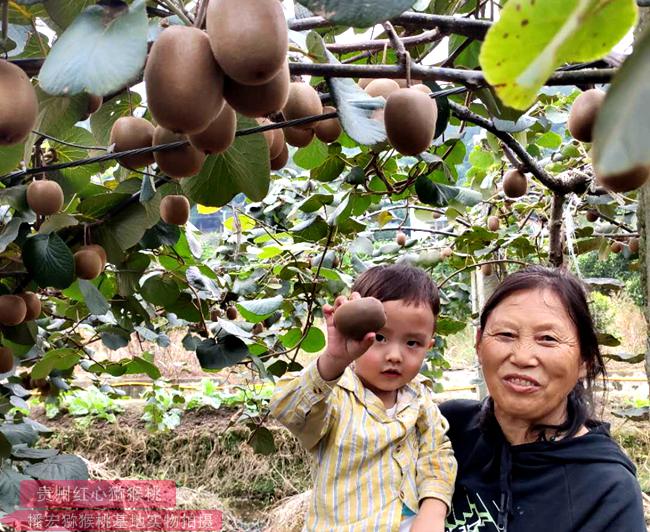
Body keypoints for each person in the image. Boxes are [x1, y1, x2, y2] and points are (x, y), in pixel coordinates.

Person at [440, 266, 646, 532]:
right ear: (479, 344)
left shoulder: (605, 488)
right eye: (506, 335)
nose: (523, 357)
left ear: (585, 360)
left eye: (548, 339)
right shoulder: (446, 431)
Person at [269, 264, 457, 531]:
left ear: (429, 345)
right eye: (379, 337)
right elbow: (288, 410)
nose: (395, 355)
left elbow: (437, 454)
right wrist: (334, 359)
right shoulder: (335, 394)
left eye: (412, 343)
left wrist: (433, 511)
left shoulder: (419, 397)